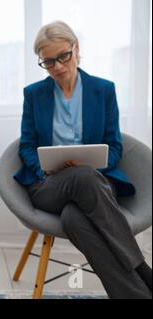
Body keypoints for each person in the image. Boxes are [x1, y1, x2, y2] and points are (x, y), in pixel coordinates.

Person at [14, 21, 151, 299]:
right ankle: (142, 268)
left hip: (95, 184)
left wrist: (94, 163)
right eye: (48, 62)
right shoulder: (34, 94)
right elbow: (26, 145)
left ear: (76, 48)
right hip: (48, 185)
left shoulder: (103, 90)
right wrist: (42, 165)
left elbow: (114, 146)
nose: (58, 67)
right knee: (81, 177)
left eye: (63, 56)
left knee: (74, 218)